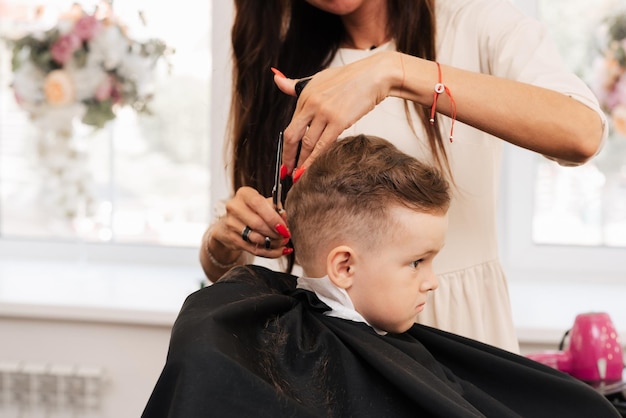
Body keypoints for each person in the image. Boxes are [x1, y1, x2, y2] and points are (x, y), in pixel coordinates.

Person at [200, 0, 608, 353]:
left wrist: (395, 72)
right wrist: (225, 240)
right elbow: (235, 273)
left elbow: (582, 133)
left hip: (461, 335)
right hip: (329, 351)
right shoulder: (276, 54)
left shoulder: (474, 23)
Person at [144, 135, 620, 418]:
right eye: (418, 262)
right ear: (344, 267)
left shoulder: (376, 345)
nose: (433, 281)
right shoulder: (236, 340)